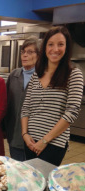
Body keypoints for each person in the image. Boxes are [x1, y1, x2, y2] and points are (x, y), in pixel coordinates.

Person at [21, 26, 84, 166]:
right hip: (30, 140)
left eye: (60, 44)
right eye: (51, 44)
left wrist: (44, 141)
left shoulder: (74, 74)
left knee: (45, 183)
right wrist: (25, 134)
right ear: (45, 48)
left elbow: (72, 112)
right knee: (31, 183)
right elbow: (26, 108)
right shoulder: (37, 74)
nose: (55, 49)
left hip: (54, 143)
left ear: (67, 47)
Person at [5, 37, 39, 161]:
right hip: (14, 134)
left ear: (38, 55)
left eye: (30, 52)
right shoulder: (14, 75)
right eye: (23, 52)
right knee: (18, 170)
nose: (25, 55)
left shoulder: (43, 77)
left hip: (35, 137)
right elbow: (6, 105)